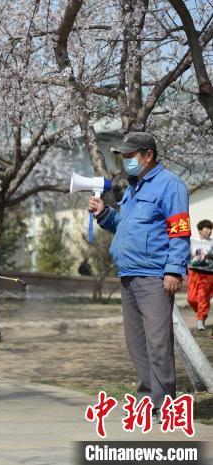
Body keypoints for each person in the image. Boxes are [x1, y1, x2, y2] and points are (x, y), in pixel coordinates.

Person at [90, 132, 190, 417]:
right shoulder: (134, 187)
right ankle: (147, 399)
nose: (126, 161)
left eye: (130, 156)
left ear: (147, 155)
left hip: (155, 276)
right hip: (129, 274)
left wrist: (173, 269)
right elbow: (124, 225)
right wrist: (103, 214)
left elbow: (180, 231)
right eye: (124, 156)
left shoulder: (170, 186)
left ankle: (163, 404)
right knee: (137, 343)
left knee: (158, 342)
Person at [187, 219, 213, 331]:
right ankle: (202, 313)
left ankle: (200, 321)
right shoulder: (192, 241)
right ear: (200, 230)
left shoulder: (212, 243)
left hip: (208, 274)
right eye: (207, 228)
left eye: (211, 229)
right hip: (194, 273)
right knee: (191, 299)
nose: (209, 231)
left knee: (203, 297)